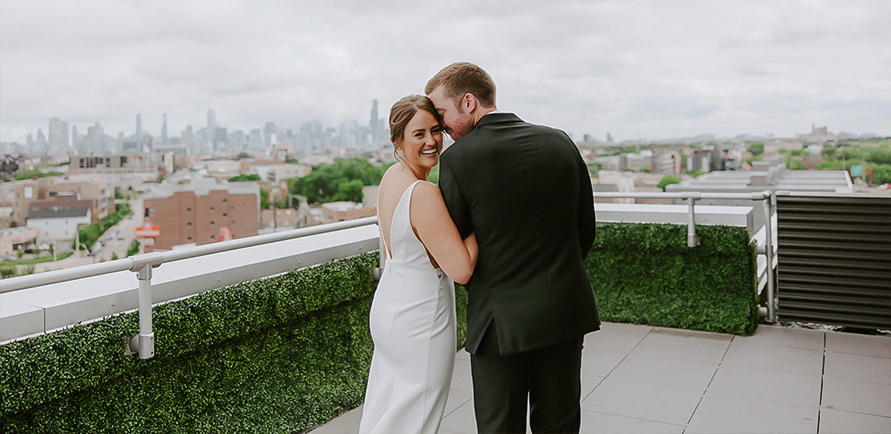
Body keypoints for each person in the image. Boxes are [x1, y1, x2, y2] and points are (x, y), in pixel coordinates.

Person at [426, 62, 600, 433]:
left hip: (498, 322)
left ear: (469, 102)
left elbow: (456, 246)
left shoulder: (457, 160)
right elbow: (585, 229)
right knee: (560, 423)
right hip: (564, 309)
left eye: (441, 114)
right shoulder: (560, 140)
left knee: (499, 426)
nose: (441, 127)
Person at [358, 95, 479, 434]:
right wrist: (487, 218)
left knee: (387, 408)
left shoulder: (390, 177)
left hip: (390, 305)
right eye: (418, 134)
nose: (431, 141)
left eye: (436, 130)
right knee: (417, 419)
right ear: (398, 141)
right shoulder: (423, 193)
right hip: (420, 316)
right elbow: (461, 269)